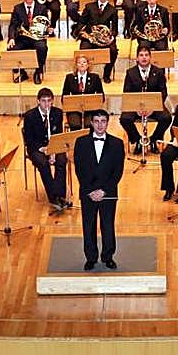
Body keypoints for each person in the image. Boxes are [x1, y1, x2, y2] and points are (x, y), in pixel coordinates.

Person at [74, 110, 125, 270]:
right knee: (88, 225)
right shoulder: (81, 142)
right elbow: (79, 169)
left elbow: (117, 172)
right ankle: (91, 257)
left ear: (107, 122)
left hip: (108, 193)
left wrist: (103, 191)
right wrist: (90, 190)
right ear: (91, 123)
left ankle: (108, 256)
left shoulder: (117, 144)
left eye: (103, 121)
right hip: (88, 192)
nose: (100, 124)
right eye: (96, 121)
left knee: (107, 224)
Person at [23, 88, 69, 211]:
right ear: (38, 101)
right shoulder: (30, 116)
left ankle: (60, 195)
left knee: (62, 160)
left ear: (53, 101)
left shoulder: (57, 113)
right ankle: (53, 197)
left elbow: (58, 135)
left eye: (49, 101)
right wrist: (42, 149)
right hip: (36, 148)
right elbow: (29, 139)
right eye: (43, 101)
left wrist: (53, 150)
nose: (46, 104)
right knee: (43, 163)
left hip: (54, 146)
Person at [119, 45, 172, 154]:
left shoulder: (158, 72)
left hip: (154, 106)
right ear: (137, 58)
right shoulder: (130, 73)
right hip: (135, 107)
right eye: (141, 55)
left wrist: (153, 107)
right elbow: (127, 92)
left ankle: (153, 140)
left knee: (166, 118)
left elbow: (163, 92)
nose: (144, 58)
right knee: (124, 119)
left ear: (150, 57)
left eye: (146, 55)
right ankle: (138, 140)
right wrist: (136, 108)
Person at [75, 0, 119, 83]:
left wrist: (111, 38)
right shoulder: (89, 6)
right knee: (84, 51)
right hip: (90, 37)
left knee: (113, 51)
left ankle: (106, 74)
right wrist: (80, 33)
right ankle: (85, 74)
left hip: (104, 39)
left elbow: (114, 29)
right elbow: (82, 22)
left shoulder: (113, 10)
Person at [9, 0, 51, 84]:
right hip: (22, 38)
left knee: (42, 47)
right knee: (12, 48)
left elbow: (44, 25)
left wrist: (47, 30)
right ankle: (22, 72)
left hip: (37, 38)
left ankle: (38, 71)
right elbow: (13, 25)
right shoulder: (17, 8)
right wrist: (11, 38)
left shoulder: (42, 8)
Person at [62, 54, 104, 131]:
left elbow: (101, 96)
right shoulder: (69, 78)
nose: (82, 64)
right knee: (75, 125)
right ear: (76, 65)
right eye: (79, 62)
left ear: (88, 65)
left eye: (84, 62)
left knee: (89, 125)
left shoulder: (95, 77)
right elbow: (64, 96)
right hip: (74, 108)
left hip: (90, 108)